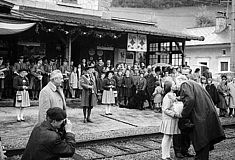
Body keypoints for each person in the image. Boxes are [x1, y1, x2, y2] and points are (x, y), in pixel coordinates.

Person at [175, 75, 225, 160]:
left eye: (176, 84)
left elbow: (190, 99)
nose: (177, 86)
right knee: (205, 138)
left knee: (201, 139)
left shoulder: (185, 84)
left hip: (199, 115)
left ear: (180, 81)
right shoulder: (194, 84)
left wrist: (183, 114)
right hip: (205, 113)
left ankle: (200, 158)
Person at [160, 81, 181, 160]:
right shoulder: (167, 96)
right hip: (168, 119)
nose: (175, 85)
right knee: (166, 137)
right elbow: (165, 109)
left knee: (169, 137)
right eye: (174, 84)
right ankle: (164, 156)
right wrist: (174, 114)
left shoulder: (173, 95)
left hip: (172, 119)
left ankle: (167, 155)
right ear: (170, 87)